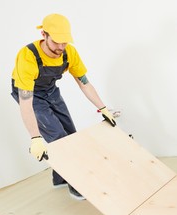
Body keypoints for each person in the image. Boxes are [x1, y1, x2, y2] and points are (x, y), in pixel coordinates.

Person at [11, 14, 117, 200]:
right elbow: (26, 102)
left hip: (50, 91)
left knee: (71, 134)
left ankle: (59, 178)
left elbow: (84, 83)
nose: (61, 47)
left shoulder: (69, 53)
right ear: (44, 34)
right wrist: (35, 138)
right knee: (59, 138)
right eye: (57, 42)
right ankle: (76, 184)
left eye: (65, 42)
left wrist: (103, 108)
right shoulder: (28, 56)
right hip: (31, 95)